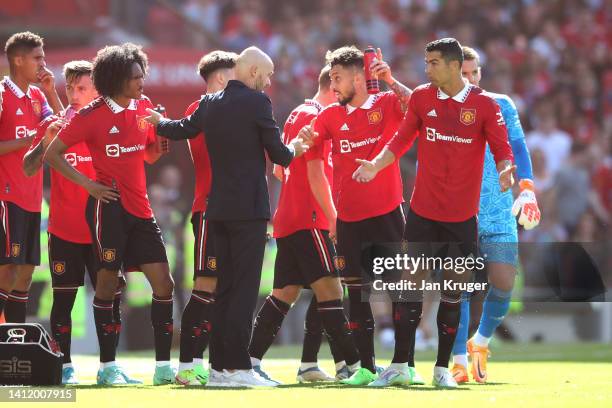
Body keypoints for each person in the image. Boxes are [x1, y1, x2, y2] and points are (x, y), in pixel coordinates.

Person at [352, 38, 515, 388]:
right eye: (426, 62)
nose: (427, 69)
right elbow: (399, 140)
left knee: (453, 292)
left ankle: (443, 369)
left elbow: (502, 148)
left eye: (434, 62)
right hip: (423, 212)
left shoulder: (485, 105)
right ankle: (400, 365)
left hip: (461, 218)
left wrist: (505, 170)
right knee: (409, 289)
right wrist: (376, 164)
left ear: (455, 65)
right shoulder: (424, 98)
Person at [147, 46, 311, 388]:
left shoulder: (209, 104)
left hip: (216, 209)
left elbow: (179, 129)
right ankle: (237, 367)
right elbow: (280, 154)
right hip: (248, 211)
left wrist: (157, 121)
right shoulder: (257, 103)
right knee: (243, 290)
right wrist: (299, 146)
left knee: (223, 293)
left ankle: (220, 368)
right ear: (252, 73)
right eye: (265, 76)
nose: (267, 83)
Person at [44, 43, 174, 386]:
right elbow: (53, 155)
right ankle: (107, 367)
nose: (142, 81)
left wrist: (159, 145)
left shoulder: (144, 107)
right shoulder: (90, 117)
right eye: (135, 76)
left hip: (142, 211)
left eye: (142, 74)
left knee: (164, 284)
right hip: (109, 210)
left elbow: (146, 156)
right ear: (116, 79)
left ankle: (163, 367)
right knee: (106, 285)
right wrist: (89, 185)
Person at [297, 45, 417, 386]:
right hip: (349, 219)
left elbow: (416, 107)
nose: (333, 85)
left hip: (387, 214)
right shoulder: (329, 116)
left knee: (398, 290)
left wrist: (391, 80)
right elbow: (310, 146)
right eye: (330, 78)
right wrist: (303, 140)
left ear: (357, 77)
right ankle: (366, 367)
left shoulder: (385, 103)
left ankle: (402, 365)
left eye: (337, 78)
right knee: (356, 294)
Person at [22, 60, 139, 385]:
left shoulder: (110, 125)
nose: (74, 93)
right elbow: (29, 168)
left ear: (98, 91)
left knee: (109, 298)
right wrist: (45, 141)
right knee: (63, 300)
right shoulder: (56, 124)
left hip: (103, 231)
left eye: (81, 88)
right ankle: (64, 366)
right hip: (64, 231)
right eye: (70, 87)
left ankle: (109, 367)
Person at [247, 65, 361, 385]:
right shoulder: (317, 118)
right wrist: (334, 216)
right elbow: (315, 174)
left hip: (289, 217)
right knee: (331, 290)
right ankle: (352, 364)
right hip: (311, 217)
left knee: (285, 293)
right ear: (332, 87)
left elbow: (279, 172)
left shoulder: (296, 114)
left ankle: (259, 360)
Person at [450, 46, 541, 384]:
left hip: (500, 209)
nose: (471, 79)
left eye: (475, 73)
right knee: (458, 286)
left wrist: (528, 188)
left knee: (504, 282)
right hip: (461, 209)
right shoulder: (444, 108)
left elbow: (518, 147)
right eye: (464, 73)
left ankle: (481, 342)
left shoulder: (502, 104)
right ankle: (458, 358)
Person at [175, 50, 238, 386]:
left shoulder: (226, 107)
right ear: (219, 78)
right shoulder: (200, 108)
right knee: (205, 285)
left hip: (232, 210)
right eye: (235, 73)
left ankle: (218, 364)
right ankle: (187, 364)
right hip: (210, 208)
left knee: (224, 290)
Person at [0, 31, 62, 322]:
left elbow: (65, 128)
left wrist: (51, 90)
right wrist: (31, 139)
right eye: (37, 58)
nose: (43, 63)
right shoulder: (1, 94)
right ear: (18, 59)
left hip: (32, 198)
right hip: (7, 195)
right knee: (7, 271)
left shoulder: (38, 96)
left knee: (24, 275)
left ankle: (13, 342)